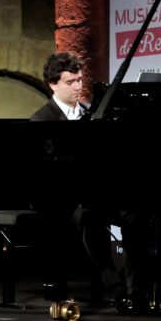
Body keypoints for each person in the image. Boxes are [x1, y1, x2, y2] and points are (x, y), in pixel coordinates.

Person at [29, 52, 121, 304]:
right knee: (83, 215)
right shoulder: (41, 120)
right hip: (55, 195)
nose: (78, 86)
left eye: (80, 80)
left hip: (91, 191)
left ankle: (134, 285)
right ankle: (105, 280)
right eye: (70, 82)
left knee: (131, 211)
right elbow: (40, 174)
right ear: (53, 84)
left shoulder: (92, 116)